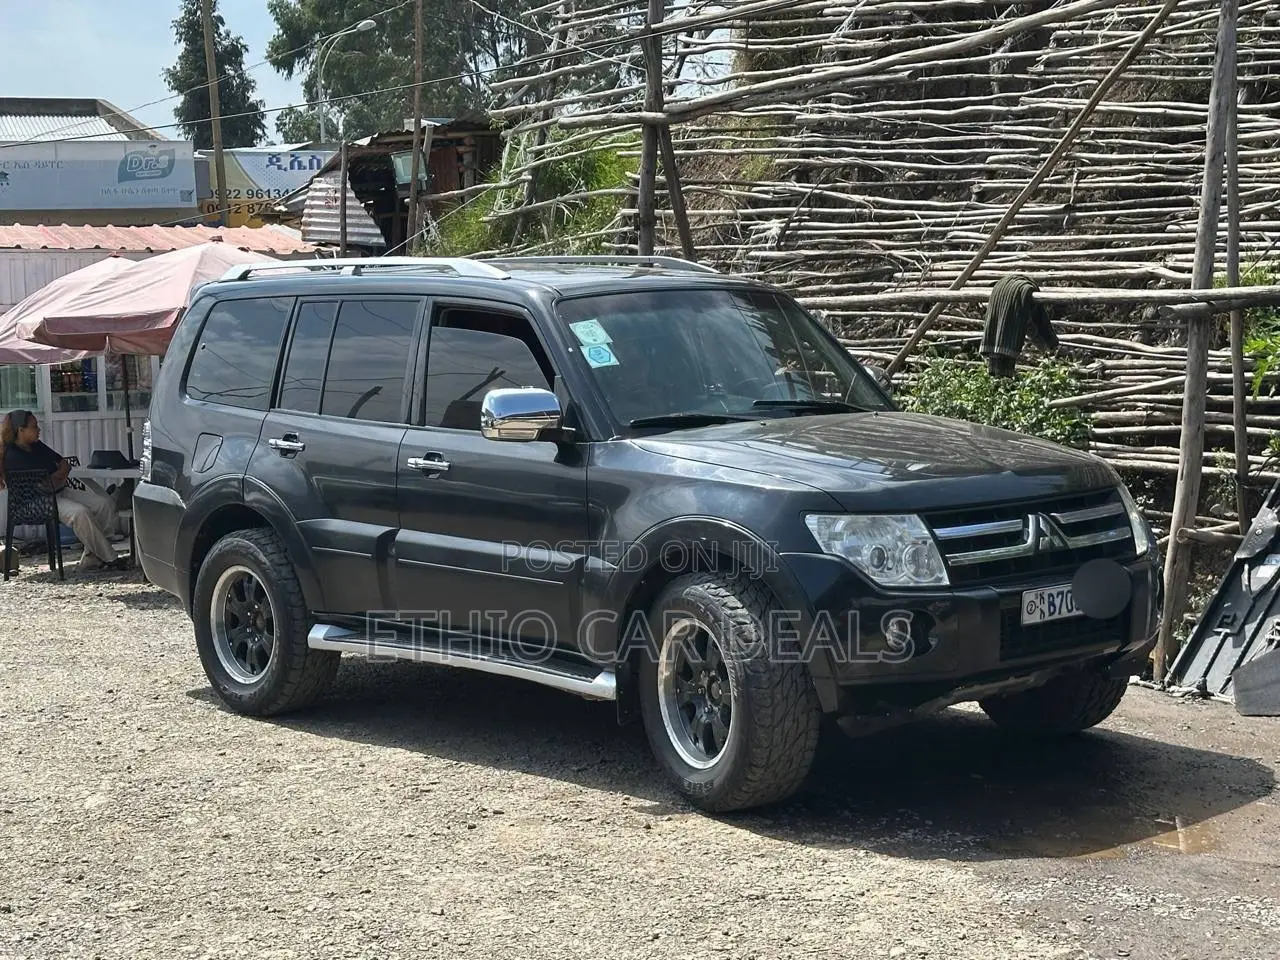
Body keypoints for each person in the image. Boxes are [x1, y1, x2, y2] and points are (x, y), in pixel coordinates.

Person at [0, 409, 125, 573]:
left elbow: (63, 463)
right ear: (21, 430)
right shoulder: (13, 456)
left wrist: (59, 475)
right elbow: (40, 486)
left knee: (104, 504)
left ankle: (92, 557)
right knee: (80, 513)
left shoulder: (37, 446)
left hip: (59, 491)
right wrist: (57, 477)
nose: (39, 429)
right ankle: (110, 558)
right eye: (34, 426)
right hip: (37, 502)